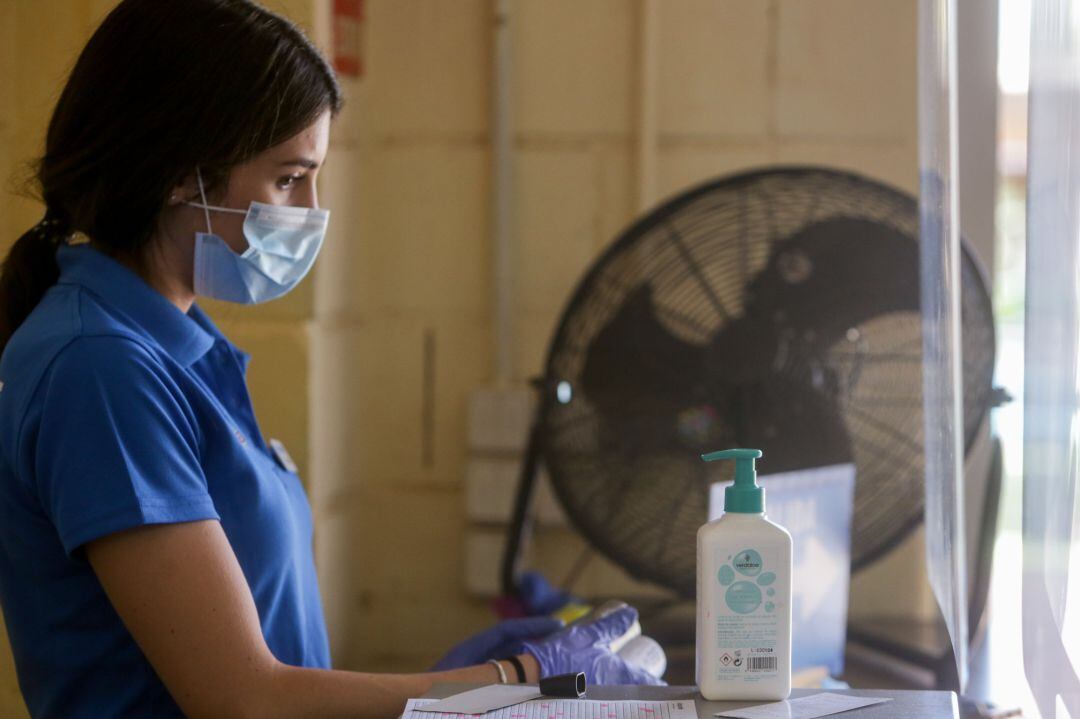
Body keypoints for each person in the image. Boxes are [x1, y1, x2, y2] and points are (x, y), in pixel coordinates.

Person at [0, 1, 660, 717]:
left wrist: (459, 682)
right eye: (288, 179)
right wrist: (521, 676)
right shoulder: (102, 368)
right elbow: (242, 697)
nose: (312, 210)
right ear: (180, 176)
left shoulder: (180, 347)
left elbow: (269, 654)